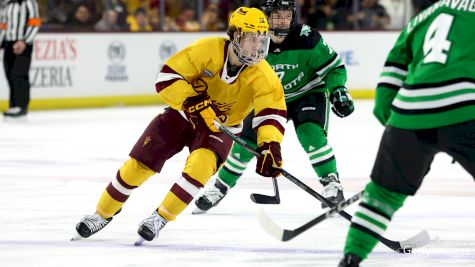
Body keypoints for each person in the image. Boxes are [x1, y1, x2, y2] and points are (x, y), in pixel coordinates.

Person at [74, 7, 287, 243]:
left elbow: (272, 114)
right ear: (235, 35)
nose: (257, 46)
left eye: (261, 39)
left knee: (199, 168)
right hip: (182, 116)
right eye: (251, 38)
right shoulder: (207, 50)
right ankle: (102, 214)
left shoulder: (264, 75)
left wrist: (270, 145)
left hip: (220, 128)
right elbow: (166, 77)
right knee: (139, 164)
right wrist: (192, 101)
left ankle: (160, 217)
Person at [338, 1, 475, 266]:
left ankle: (351, 259)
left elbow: (386, 91)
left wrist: (403, 136)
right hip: (465, 108)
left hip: (408, 112)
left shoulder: (422, 18)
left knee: (383, 195)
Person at [193, 0, 354, 214]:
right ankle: (220, 187)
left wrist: (338, 90)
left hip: (307, 93)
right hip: (267, 97)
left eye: (287, 15)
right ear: (266, 16)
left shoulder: (308, 39)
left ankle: (332, 185)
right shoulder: (252, 39)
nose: (283, 21)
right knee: (245, 143)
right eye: (278, 15)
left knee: (311, 135)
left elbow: (334, 69)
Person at [0, 0, 41, 118]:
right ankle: (13, 105)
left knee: (19, 73)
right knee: (9, 74)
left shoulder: (29, 2)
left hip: (23, 43)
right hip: (9, 42)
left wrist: (25, 41)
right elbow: (4, 25)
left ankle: (21, 106)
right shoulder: (7, 4)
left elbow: (35, 22)